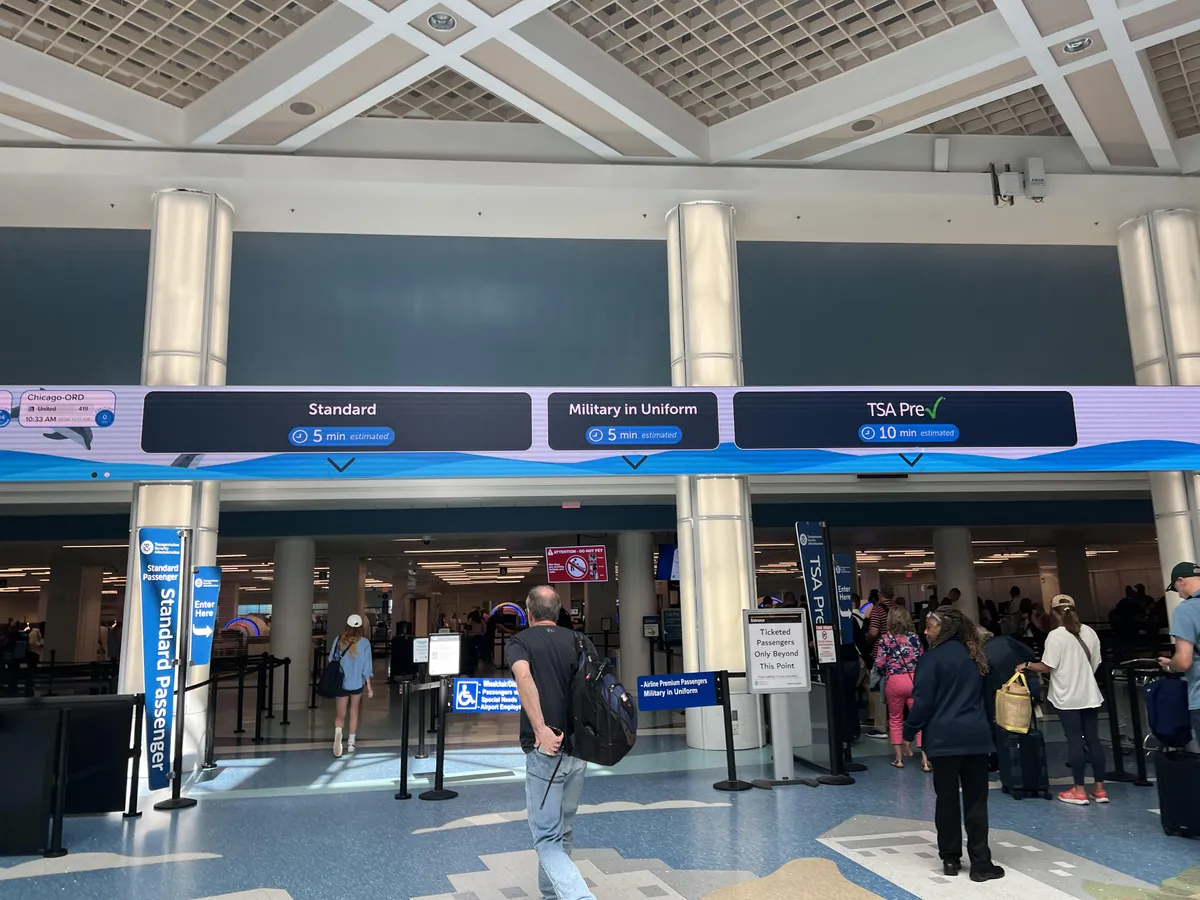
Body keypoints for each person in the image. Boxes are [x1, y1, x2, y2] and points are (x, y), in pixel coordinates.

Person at [904, 607, 1004, 883]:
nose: (925, 631)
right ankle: (981, 862)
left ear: (945, 628)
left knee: (946, 799)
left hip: (943, 739)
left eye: (929, 627)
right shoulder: (977, 657)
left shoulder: (930, 660)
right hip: (975, 738)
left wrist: (909, 732)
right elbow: (987, 700)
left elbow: (923, 702)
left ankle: (950, 858)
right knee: (976, 801)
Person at [507, 586, 594, 900]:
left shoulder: (520, 642)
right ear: (558, 613)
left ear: (528, 613)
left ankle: (579, 896)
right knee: (564, 829)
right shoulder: (581, 641)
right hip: (578, 750)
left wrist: (541, 729)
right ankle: (551, 895)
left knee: (546, 838)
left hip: (546, 750)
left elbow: (524, 678)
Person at [1018, 594, 1106, 805]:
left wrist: (1027, 665)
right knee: (1093, 740)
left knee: (1074, 740)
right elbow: (1095, 663)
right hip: (1090, 693)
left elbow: (1047, 666)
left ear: (1054, 612)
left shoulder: (1056, 636)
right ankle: (1100, 789)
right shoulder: (1090, 632)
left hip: (1067, 695)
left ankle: (1078, 790)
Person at [874, 605, 929, 771]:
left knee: (896, 718)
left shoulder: (886, 639)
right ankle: (925, 761)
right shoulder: (915, 638)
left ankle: (899, 759)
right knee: (919, 718)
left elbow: (880, 663)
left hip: (895, 682)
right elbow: (922, 658)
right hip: (914, 680)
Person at [1159, 562, 1200, 751]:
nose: (1179, 594)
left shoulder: (1187, 609)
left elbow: (1183, 661)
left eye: (1176, 589)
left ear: (1181, 581)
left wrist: (1169, 665)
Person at [329, 614, 374, 758]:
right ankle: (351, 743)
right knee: (354, 711)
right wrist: (369, 687)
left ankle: (338, 734)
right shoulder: (365, 643)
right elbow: (367, 668)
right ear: (361, 627)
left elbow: (331, 659)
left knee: (340, 714)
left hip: (340, 682)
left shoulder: (338, 640)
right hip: (357, 683)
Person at [863, 587, 896, 739]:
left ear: (880, 595)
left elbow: (874, 632)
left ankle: (880, 727)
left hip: (881, 653)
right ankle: (896, 724)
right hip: (898, 654)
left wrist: (867, 640)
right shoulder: (899, 610)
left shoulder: (877, 610)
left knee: (878, 690)